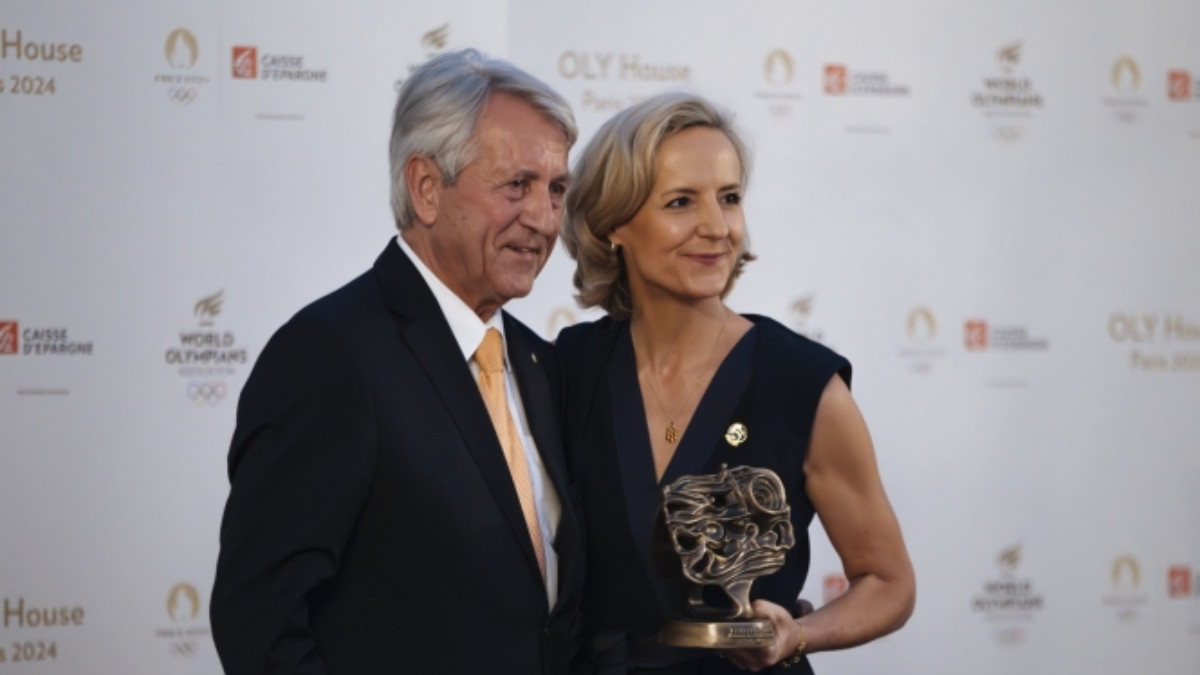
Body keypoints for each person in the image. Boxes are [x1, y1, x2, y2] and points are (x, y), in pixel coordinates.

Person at [210, 49, 584, 674]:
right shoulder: (329, 356)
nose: (544, 219)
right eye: (517, 185)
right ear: (426, 187)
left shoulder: (542, 364)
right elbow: (260, 623)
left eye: (556, 190)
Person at [557, 92, 915, 674]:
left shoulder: (803, 384)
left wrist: (798, 634)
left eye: (729, 198)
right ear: (613, 224)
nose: (717, 227)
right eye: (680, 202)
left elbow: (889, 581)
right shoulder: (567, 370)